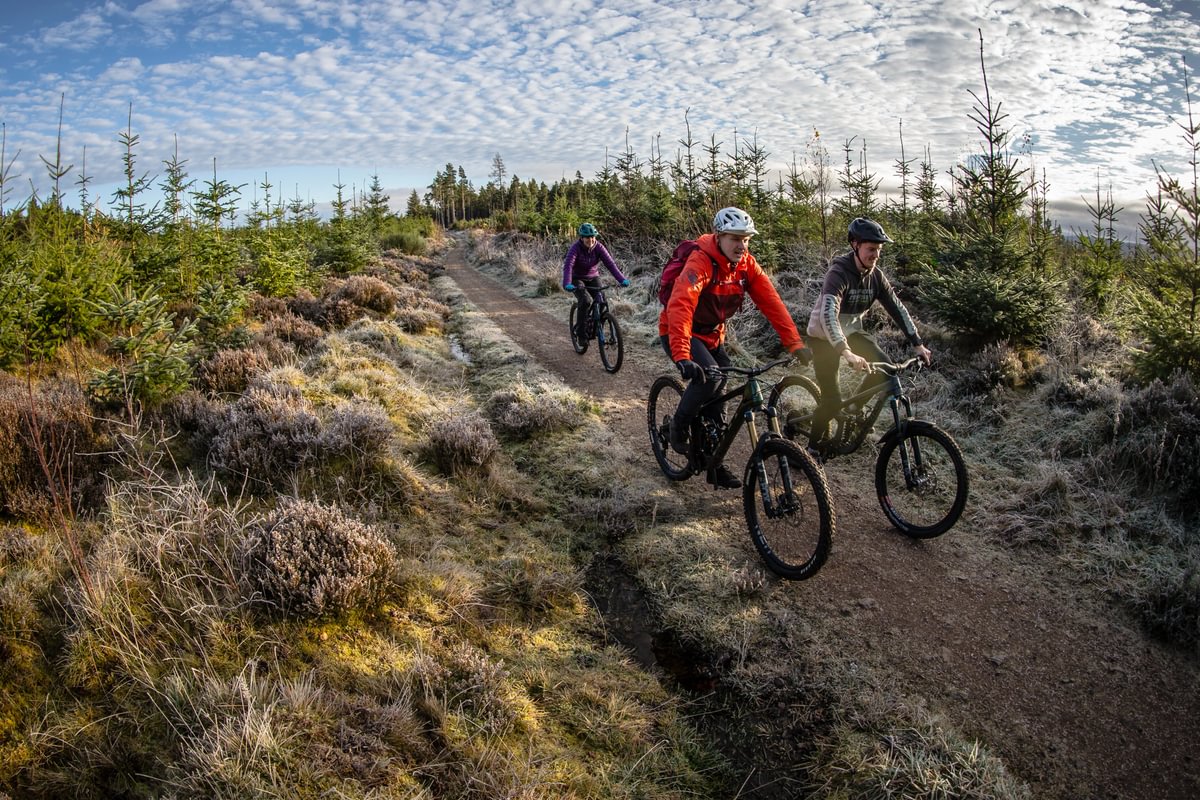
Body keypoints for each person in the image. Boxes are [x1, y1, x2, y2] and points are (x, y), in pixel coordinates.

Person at [661, 206, 811, 489]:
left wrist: (795, 343)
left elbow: (772, 302)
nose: (742, 245)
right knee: (709, 377)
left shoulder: (746, 265)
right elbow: (680, 305)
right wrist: (681, 354)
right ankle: (677, 428)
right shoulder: (701, 262)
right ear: (719, 236)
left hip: (712, 336)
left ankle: (712, 462)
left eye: (746, 239)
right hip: (678, 331)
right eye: (735, 238)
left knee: (720, 383)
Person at [806, 217, 932, 452]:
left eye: (879, 250)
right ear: (855, 245)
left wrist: (917, 344)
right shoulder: (838, 273)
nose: (875, 255)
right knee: (831, 400)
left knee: (885, 367)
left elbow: (897, 308)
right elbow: (829, 316)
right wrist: (846, 353)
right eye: (871, 249)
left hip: (852, 330)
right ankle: (811, 450)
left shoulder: (876, 276)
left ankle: (854, 408)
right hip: (824, 337)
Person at [562, 222, 629, 342]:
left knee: (602, 300)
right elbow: (568, 266)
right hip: (577, 278)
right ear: (581, 238)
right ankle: (581, 334)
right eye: (587, 237)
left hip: (593, 277)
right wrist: (567, 283)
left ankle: (597, 326)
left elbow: (611, 264)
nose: (591, 240)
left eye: (593, 236)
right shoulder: (575, 248)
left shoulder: (599, 247)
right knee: (585, 301)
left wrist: (622, 279)